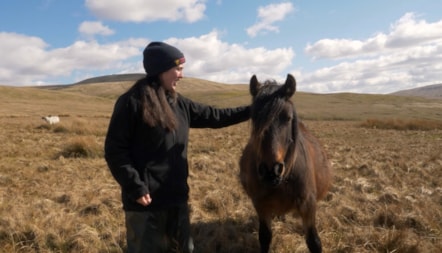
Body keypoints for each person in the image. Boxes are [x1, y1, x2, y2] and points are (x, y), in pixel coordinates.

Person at [104, 41, 250, 253]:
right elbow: (115, 150)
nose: (181, 75)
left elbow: (216, 116)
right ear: (161, 70)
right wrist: (135, 186)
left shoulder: (179, 103)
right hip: (145, 204)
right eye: (178, 69)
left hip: (177, 198)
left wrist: (255, 109)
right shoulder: (131, 102)